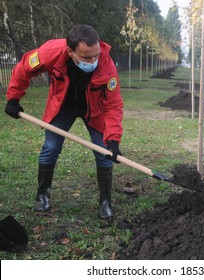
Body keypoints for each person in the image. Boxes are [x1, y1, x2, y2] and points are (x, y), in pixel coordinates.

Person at [4, 25, 123, 221]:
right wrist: (13, 99)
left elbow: (113, 106)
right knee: (50, 147)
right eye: (86, 57)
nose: (93, 61)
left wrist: (113, 141)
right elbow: (24, 68)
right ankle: (42, 195)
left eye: (96, 55)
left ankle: (105, 202)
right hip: (62, 107)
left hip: (94, 110)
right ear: (71, 51)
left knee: (104, 153)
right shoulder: (51, 52)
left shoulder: (107, 66)